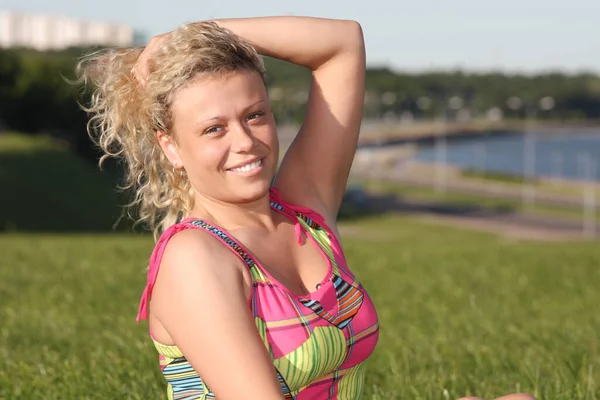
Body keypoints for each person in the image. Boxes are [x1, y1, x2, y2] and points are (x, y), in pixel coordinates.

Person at [77, 16, 536, 400]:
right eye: (214, 129)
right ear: (172, 147)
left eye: (255, 115)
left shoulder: (302, 209)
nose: (245, 142)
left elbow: (342, 45)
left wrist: (203, 32)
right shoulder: (195, 259)